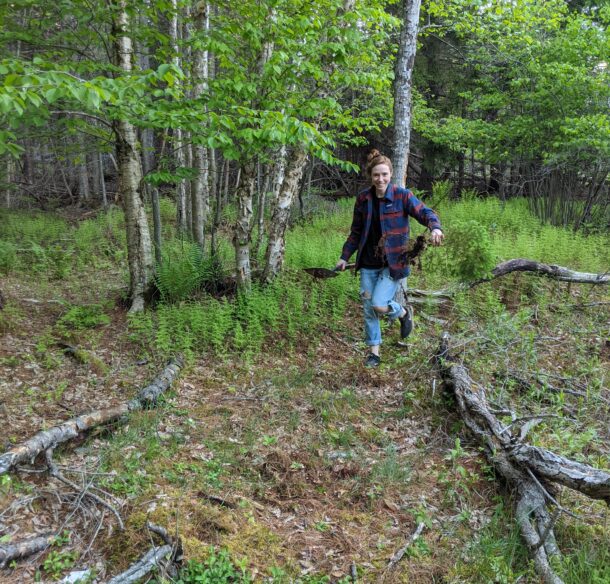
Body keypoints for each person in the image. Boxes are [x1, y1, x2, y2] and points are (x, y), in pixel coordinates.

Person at [336, 149, 444, 367]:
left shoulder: (402, 196)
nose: (380, 179)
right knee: (369, 309)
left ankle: (403, 312)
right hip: (367, 262)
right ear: (371, 176)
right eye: (376, 175)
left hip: (394, 263)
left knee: (378, 304)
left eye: (384, 174)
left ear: (391, 174)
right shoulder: (363, 199)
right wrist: (344, 256)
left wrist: (435, 228)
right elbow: (356, 232)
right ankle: (374, 353)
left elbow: (425, 212)